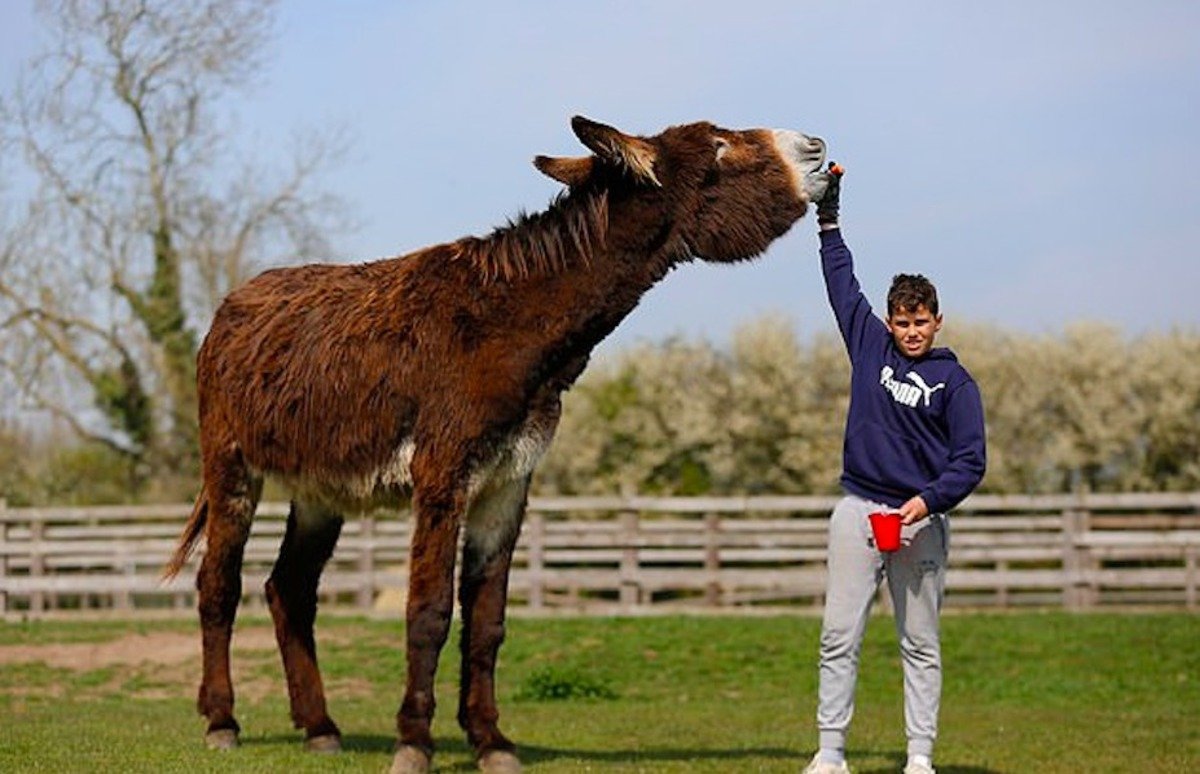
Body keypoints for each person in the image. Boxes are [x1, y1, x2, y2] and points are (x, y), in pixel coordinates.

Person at [802, 164, 987, 774]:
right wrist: (829, 219)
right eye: (901, 322)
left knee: (920, 643)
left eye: (920, 321)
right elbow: (841, 284)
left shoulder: (955, 383)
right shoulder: (869, 344)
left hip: (919, 521)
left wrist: (928, 503)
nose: (910, 331)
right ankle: (830, 753)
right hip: (857, 510)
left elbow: (970, 461)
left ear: (937, 321)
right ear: (890, 323)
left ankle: (920, 758)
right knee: (838, 636)